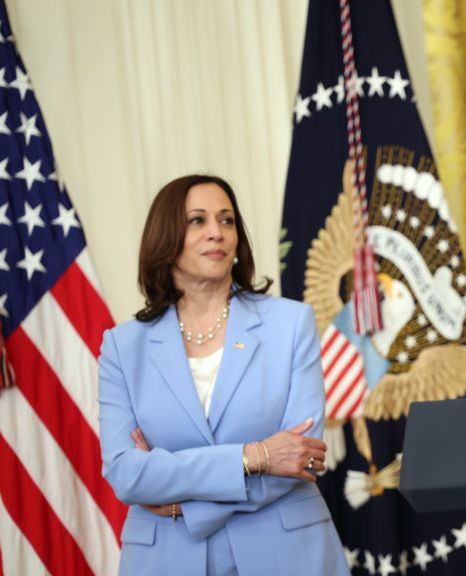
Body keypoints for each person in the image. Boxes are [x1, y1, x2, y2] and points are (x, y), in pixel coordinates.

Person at [98, 174, 349, 575]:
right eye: (197, 220)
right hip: (166, 558)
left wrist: (182, 501)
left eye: (227, 220)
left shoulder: (290, 323)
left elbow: (298, 457)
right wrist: (255, 456)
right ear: (165, 236)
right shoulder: (122, 347)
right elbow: (127, 475)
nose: (216, 232)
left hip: (286, 554)